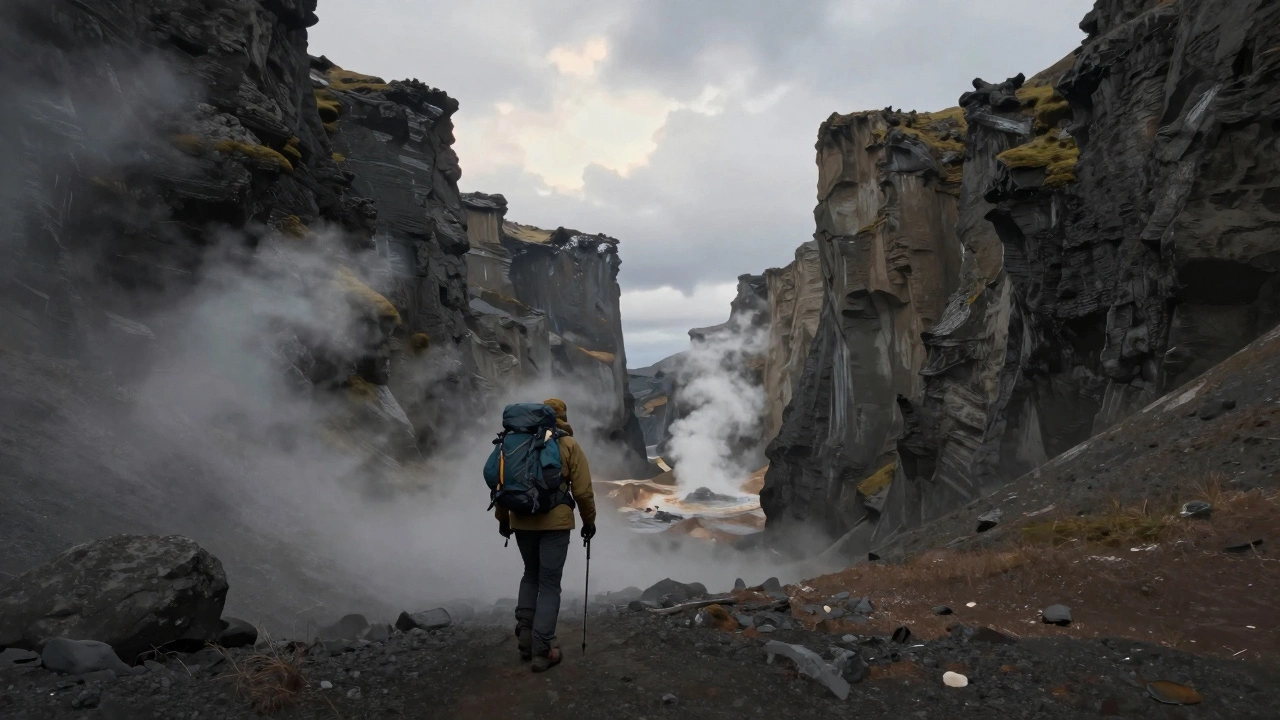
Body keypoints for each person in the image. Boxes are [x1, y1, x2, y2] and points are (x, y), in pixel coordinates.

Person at [494, 397, 596, 672]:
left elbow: (501, 485)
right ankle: (543, 649)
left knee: (530, 574)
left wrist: (504, 521)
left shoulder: (514, 443)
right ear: (562, 416)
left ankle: (525, 640)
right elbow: (583, 491)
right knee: (550, 583)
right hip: (556, 525)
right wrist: (589, 522)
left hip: (521, 520)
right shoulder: (567, 445)